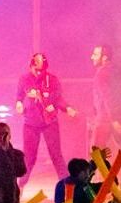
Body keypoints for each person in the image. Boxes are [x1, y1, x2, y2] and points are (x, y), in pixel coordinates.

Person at [15, 54, 76, 183]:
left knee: (56, 155)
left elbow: (58, 98)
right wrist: (19, 103)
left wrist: (67, 108)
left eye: (42, 70)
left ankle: (68, 188)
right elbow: (19, 96)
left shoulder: (52, 79)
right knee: (29, 158)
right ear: (30, 66)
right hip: (30, 123)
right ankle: (19, 188)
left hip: (49, 122)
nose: (39, 72)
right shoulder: (24, 79)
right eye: (36, 69)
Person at [88, 44, 114, 151]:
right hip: (107, 118)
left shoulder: (102, 73)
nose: (92, 57)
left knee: (96, 153)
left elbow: (107, 97)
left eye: (95, 54)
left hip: (104, 119)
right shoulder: (113, 71)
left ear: (104, 57)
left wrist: (113, 119)